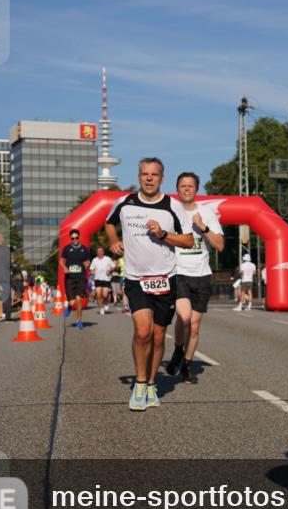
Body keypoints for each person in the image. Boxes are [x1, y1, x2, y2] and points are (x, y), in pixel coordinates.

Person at [106, 157, 195, 411]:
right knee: (142, 333)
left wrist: (163, 235)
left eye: (153, 175)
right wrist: (113, 241)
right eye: (144, 174)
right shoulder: (124, 202)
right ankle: (140, 384)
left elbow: (188, 241)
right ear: (138, 176)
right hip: (136, 279)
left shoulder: (173, 207)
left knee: (157, 338)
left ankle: (153, 383)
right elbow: (109, 223)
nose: (148, 178)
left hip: (166, 279)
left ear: (161, 178)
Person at [165, 172, 224, 383]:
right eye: (182, 186)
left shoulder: (206, 212)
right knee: (184, 317)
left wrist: (203, 227)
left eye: (190, 186)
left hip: (202, 275)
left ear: (196, 189)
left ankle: (187, 365)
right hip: (179, 272)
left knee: (195, 326)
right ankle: (178, 350)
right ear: (177, 189)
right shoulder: (170, 212)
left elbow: (219, 245)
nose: (186, 189)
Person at [60, 229, 91, 329]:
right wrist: (64, 267)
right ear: (70, 239)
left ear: (79, 237)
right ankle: (69, 307)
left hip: (81, 278)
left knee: (78, 300)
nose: (74, 240)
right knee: (72, 302)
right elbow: (61, 261)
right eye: (72, 238)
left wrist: (87, 264)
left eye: (76, 238)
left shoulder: (85, 249)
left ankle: (79, 321)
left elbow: (87, 261)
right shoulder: (67, 248)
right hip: (70, 278)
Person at [90, 247, 114, 315]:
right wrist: (92, 272)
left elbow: (113, 266)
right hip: (97, 279)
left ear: (103, 252)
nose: (100, 252)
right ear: (97, 253)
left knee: (105, 295)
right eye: (98, 251)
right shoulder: (94, 260)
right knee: (98, 295)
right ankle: (101, 308)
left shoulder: (108, 259)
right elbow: (92, 269)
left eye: (101, 251)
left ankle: (106, 302)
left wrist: (110, 271)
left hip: (106, 279)